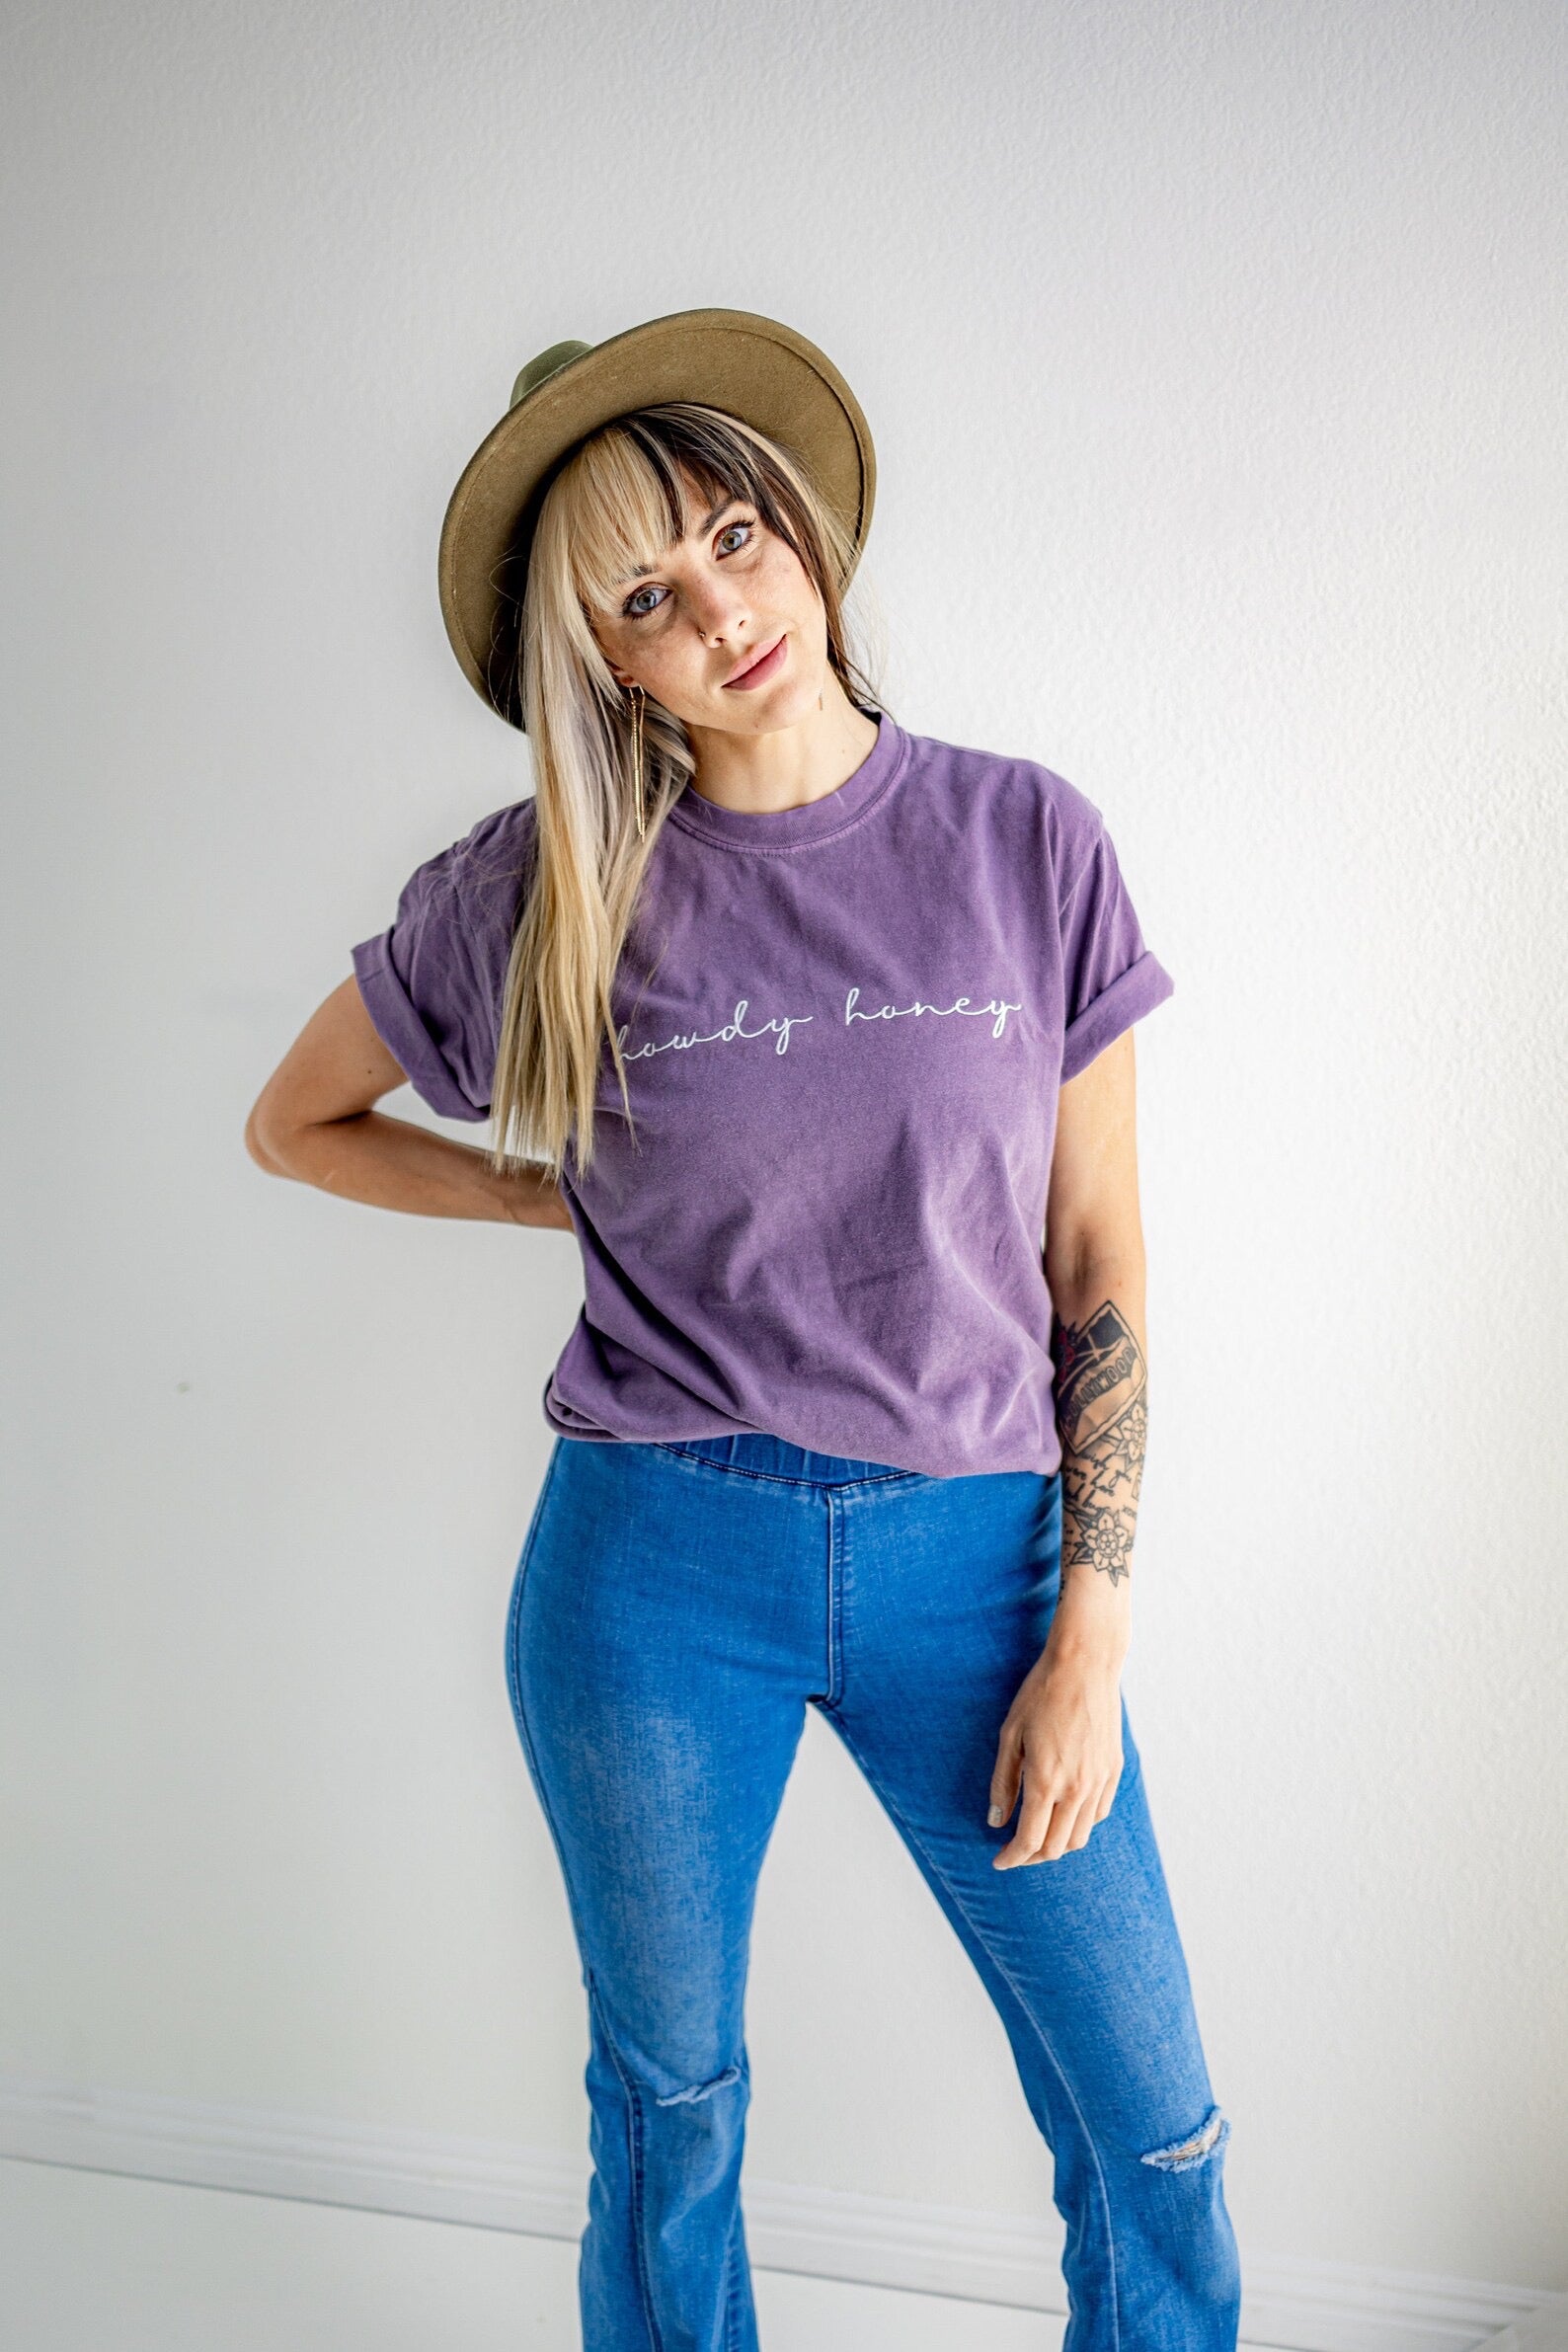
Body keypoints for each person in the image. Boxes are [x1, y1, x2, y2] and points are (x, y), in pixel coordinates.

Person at [246, 309, 1242, 2352]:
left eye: (730, 538)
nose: (717, 611)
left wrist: (1092, 1631)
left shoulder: (1023, 839)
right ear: (602, 658)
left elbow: (1095, 1258)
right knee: (671, 2106)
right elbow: (297, 1121)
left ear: (799, 530)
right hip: (655, 1563)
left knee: (1150, 2125)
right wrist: (545, 1193)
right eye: (644, 596)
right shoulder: (541, 889)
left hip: (982, 1563)